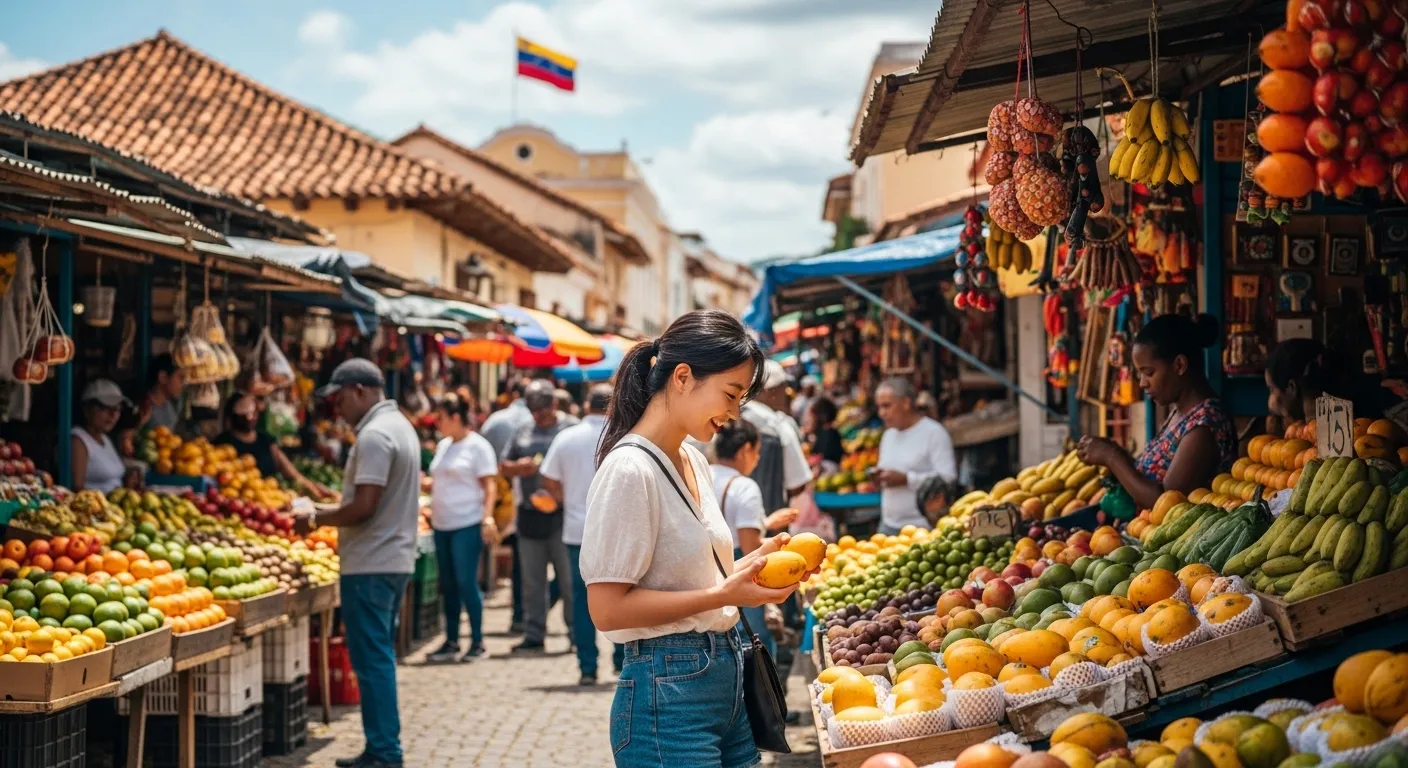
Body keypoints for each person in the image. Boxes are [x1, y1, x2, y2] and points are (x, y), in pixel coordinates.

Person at [580, 309, 809, 768]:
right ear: (682, 377)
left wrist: (751, 564)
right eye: (730, 394)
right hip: (668, 693)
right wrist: (723, 593)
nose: (734, 413)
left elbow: (693, 582)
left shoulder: (693, 460)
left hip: (725, 679)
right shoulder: (630, 469)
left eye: (741, 398)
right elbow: (606, 609)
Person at [295, 359, 420, 768]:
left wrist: (315, 515)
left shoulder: (375, 435)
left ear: (361, 391)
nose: (337, 407)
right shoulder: (400, 426)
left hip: (371, 563)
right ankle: (381, 747)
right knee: (378, 657)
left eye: (340, 397)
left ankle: (384, 751)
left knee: (372, 661)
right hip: (392, 559)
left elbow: (364, 506)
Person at [1077, 314, 1237, 511]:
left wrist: (1112, 457)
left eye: (1149, 373)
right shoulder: (1179, 413)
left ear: (1180, 365)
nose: (1143, 383)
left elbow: (1167, 502)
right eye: (1140, 374)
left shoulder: (1205, 425)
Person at [540, 383, 621, 684]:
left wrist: (566, 499)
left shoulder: (567, 437)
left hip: (577, 530)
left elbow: (548, 478)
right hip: (616, 530)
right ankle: (621, 658)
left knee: (581, 599)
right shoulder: (624, 434)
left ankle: (587, 666)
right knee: (621, 593)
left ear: (586, 404)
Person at [424, 393, 498, 663]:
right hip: (442, 524)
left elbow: (489, 485)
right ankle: (451, 640)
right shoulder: (444, 445)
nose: (436, 423)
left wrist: (487, 517)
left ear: (456, 418)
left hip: (466, 523)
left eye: (440, 418)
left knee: (466, 582)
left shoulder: (478, 447)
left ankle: (478, 641)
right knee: (448, 584)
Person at [502, 381, 574, 653]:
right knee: (532, 581)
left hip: (561, 515)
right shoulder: (522, 430)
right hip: (530, 513)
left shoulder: (570, 429)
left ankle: (575, 633)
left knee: (567, 579)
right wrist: (518, 468)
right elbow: (504, 465)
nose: (537, 417)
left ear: (554, 405)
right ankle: (534, 633)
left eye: (542, 411)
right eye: (533, 411)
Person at [709, 419, 777, 660]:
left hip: (706, 571)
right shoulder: (744, 487)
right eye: (756, 452)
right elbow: (750, 546)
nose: (757, 459)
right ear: (745, 450)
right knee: (751, 645)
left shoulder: (700, 476)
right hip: (740, 567)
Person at [874, 377, 958, 535]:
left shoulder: (934, 433)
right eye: (879, 407)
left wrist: (907, 479)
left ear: (906, 403)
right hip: (888, 525)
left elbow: (948, 479)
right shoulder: (888, 435)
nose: (881, 413)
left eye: (886, 406)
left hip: (922, 527)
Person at [215, 393, 333, 500]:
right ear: (233, 416)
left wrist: (314, 487)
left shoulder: (265, 439)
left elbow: (292, 473)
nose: (251, 417)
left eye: (253, 413)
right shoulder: (223, 444)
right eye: (245, 413)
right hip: (237, 501)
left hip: (270, 499)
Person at [741, 361, 811, 517]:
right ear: (768, 391)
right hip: (770, 526)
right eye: (782, 387)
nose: (786, 393)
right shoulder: (778, 425)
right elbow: (797, 483)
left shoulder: (727, 418)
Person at [72, 379, 130, 493]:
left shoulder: (105, 438)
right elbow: (77, 490)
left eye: (117, 409)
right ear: (87, 410)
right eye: (105, 407)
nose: (113, 415)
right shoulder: (78, 440)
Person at [139, 354, 185, 433]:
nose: (183, 384)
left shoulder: (172, 405)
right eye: (180, 378)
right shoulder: (144, 409)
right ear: (163, 377)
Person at [806, 396, 845, 469]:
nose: (810, 420)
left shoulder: (830, 436)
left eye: (813, 416)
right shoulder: (825, 433)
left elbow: (828, 461)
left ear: (822, 416)